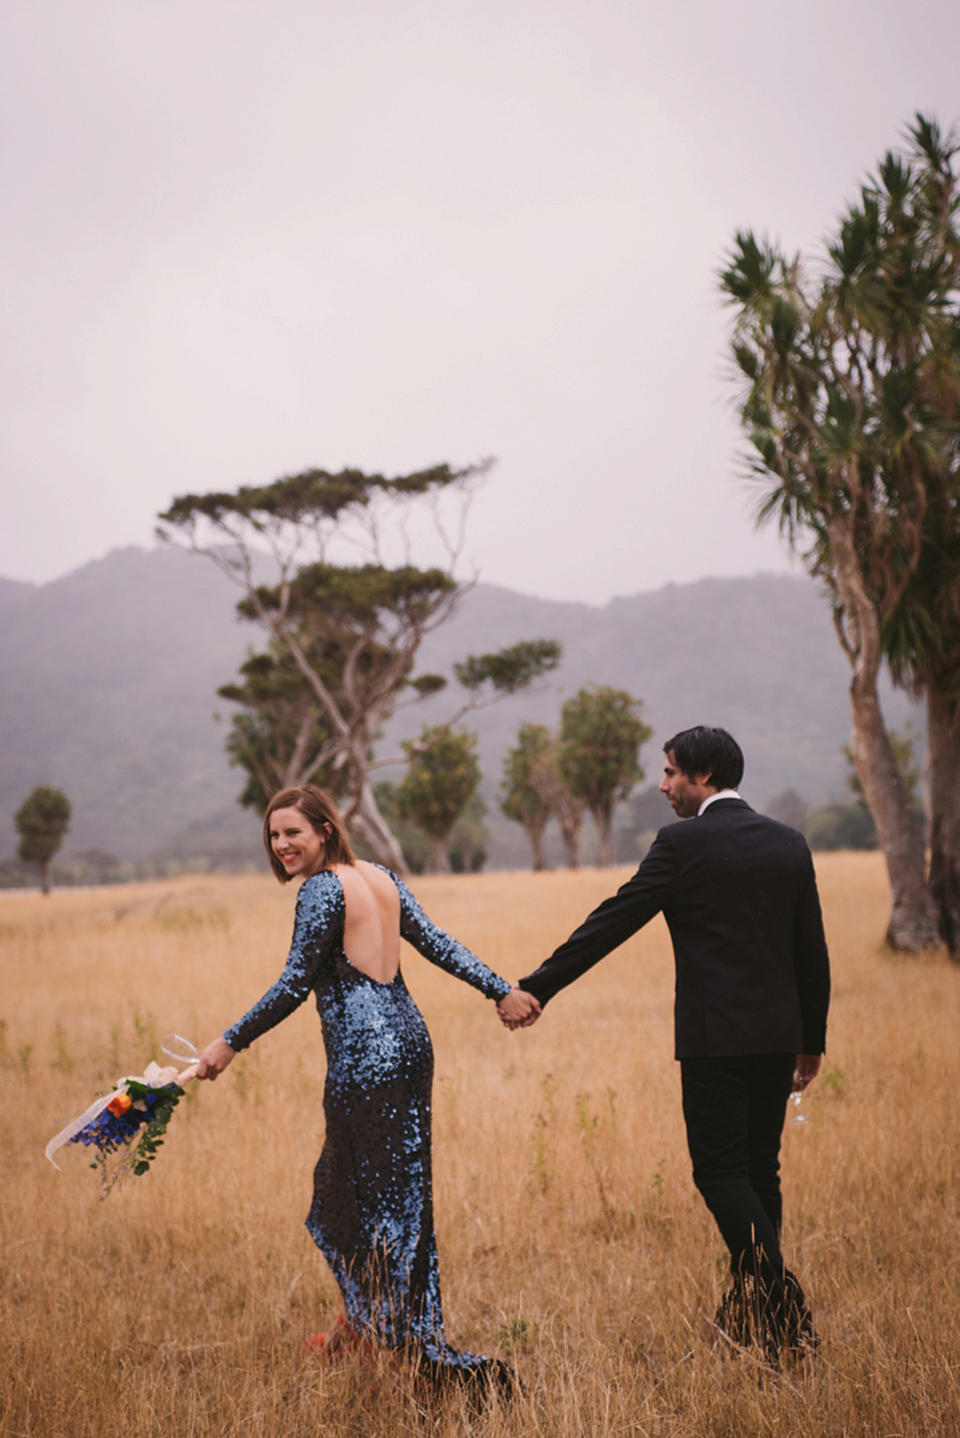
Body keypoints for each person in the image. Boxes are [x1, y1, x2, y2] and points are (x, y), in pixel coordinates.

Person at [504, 726, 831, 1363]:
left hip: (714, 1042)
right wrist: (810, 1041)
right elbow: (811, 951)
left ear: (702, 775)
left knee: (718, 1171)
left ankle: (786, 1312)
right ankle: (754, 1315)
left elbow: (615, 919)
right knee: (759, 1170)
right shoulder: (788, 843)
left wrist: (538, 986)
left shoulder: (681, 844)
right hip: (777, 1038)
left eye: (671, 773)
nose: (662, 786)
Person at [196, 784, 539, 1386]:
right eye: (274, 836)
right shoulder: (378, 875)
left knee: (354, 1198)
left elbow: (293, 985)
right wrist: (499, 987)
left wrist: (230, 1041)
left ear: (325, 829)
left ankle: (417, 1358)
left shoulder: (323, 890)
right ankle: (358, 1328)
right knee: (394, 1198)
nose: (281, 846)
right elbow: (436, 943)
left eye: (293, 833)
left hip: (367, 1059)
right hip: (411, 1044)